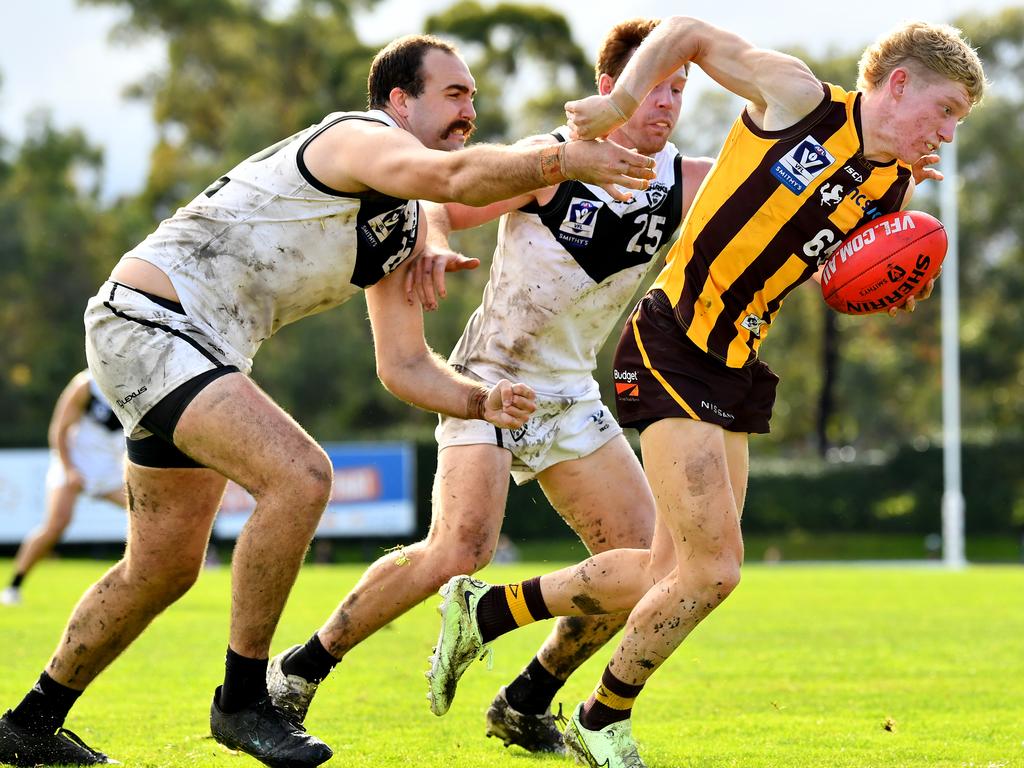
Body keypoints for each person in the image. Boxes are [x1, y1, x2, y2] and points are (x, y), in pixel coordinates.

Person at [0, 34, 656, 768]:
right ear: (399, 102)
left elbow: (403, 366)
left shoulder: (398, 224)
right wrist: (561, 157)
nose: (469, 109)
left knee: (162, 569)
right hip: (150, 322)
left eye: (473, 96)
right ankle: (244, 701)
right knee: (302, 477)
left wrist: (481, 401)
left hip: (196, 348)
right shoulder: (360, 138)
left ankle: (29, 723)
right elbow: (458, 178)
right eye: (453, 94)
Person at [427, 17, 986, 768]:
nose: (947, 131)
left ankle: (487, 610)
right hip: (674, 342)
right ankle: (602, 718)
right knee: (715, 569)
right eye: (945, 110)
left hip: (736, 364)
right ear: (900, 84)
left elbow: (822, 266)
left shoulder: (891, 184)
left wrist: (889, 282)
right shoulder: (797, 97)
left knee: (673, 570)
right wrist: (623, 102)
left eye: (958, 120)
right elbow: (685, 31)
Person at [263, 19, 712, 755]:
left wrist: (876, 176)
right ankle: (302, 669)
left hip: (570, 397)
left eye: (678, 89)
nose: (666, 103)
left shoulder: (685, 181)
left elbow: (772, 196)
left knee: (645, 566)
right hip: (491, 376)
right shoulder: (547, 160)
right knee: (457, 550)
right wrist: (433, 246)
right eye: (653, 87)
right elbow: (442, 204)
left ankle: (528, 700)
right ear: (610, 90)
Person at [1, 371, 126, 607]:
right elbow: (58, 430)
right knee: (56, 525)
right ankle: (13, 586)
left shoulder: (135, 387)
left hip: (109, 473)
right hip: (72, 465)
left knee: (145, 515)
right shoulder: (87, 385)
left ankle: (139, 583)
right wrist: (69, 469)